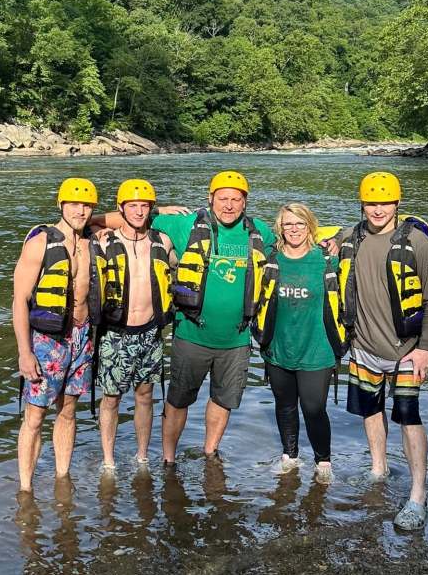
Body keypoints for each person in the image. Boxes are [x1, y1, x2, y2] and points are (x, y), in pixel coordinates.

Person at [336, 171, 428, 530]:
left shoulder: (417, 242)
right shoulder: (352, 236)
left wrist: (425, 349)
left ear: (397, 203)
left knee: (409, 418)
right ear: (362, 204)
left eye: (384, 202)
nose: (377, 209)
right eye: (371, 202)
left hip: (406, 351)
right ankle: (378, 470)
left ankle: (417, 494)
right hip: (363, 347)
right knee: (370, 411)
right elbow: (322, 235)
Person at [152, 171, 275, 464]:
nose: (229, 205)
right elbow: (131, 217)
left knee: (223, 401)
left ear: (245, 203)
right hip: (192, 333)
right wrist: (158, 210)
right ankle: (168, 460)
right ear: (210, 199)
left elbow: (300, 238)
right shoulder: (186, 225)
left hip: (236, 338)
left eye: (236, 199)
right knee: (178, 400)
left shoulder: (260, 232)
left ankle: (210, 453)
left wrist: (335, 243)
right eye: (223, 199)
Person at [13, 177, 106, 493]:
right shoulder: (41, 242)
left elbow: (121, 216)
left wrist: (158, 209)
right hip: (46, 342)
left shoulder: (91, 239)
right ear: (61, 204)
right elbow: (19, 301)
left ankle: (62, 480)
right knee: (35, 417)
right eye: (74, 204)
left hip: (82, 338)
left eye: (87, 205)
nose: (81, 211)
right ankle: (25, 489)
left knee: (68, 412)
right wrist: (25, 353)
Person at [253, 203, 346, 484]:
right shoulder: (271, 259)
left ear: (310, 226)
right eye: (288, 224)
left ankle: (323, 462)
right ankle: (290, 457)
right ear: (280, 228)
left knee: (314, 407)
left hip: (317, 349)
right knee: (285, 405)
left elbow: (356, 241)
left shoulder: (326, 259)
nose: (294, 229)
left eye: (300, 224)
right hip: (279, 348)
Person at [96, 179, 175, 469]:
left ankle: (142, 456)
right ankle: (108, 460)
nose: (139, 211)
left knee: (145, 395)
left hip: (151, 332)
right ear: (121, 208)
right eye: (133, 205)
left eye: (145, 206)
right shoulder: (104, 241)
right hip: (115, 333)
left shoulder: (162, 241)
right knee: (111, 398)